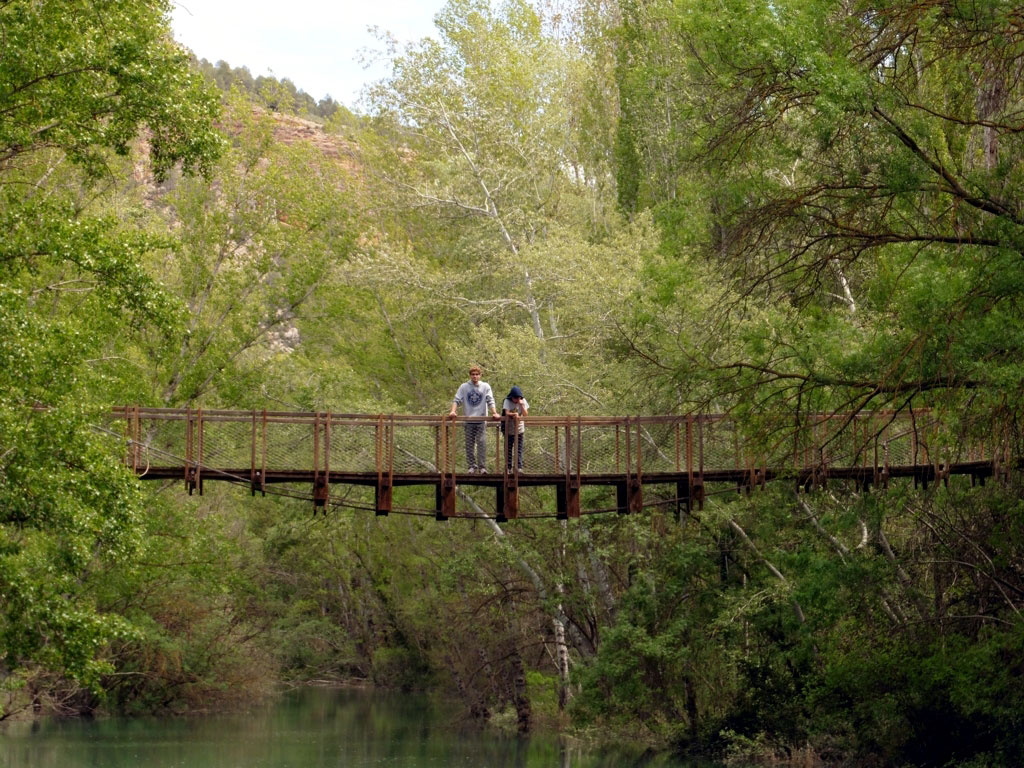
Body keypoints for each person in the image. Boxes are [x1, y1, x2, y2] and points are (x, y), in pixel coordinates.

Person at [448, 365, 500, 473]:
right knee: (469, 444)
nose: (475, 377)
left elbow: (490, 400)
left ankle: (482, 467)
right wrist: (453, 411)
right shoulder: (464, 387)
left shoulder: (485, 386)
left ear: (480, 375)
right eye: (473, 375)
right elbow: (457, 400)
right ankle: (471, 466)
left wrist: (494, 413)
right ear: (470, 376)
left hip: (481, 420)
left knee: (481, 443)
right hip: (469, 420)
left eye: (477, 374)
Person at [502, 385, 529, 472]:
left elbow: (525, 414)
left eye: (518, 398)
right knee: (508, 448)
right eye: (515, 398)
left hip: (519, 429)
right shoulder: (507, 401)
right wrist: (514, 414)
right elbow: (506, 413)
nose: (517, 400)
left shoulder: (522, 401)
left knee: (519, 448)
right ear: (512, 397)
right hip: (509, 429)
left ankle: (518, 467)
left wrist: (521, 406)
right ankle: (508, 467)